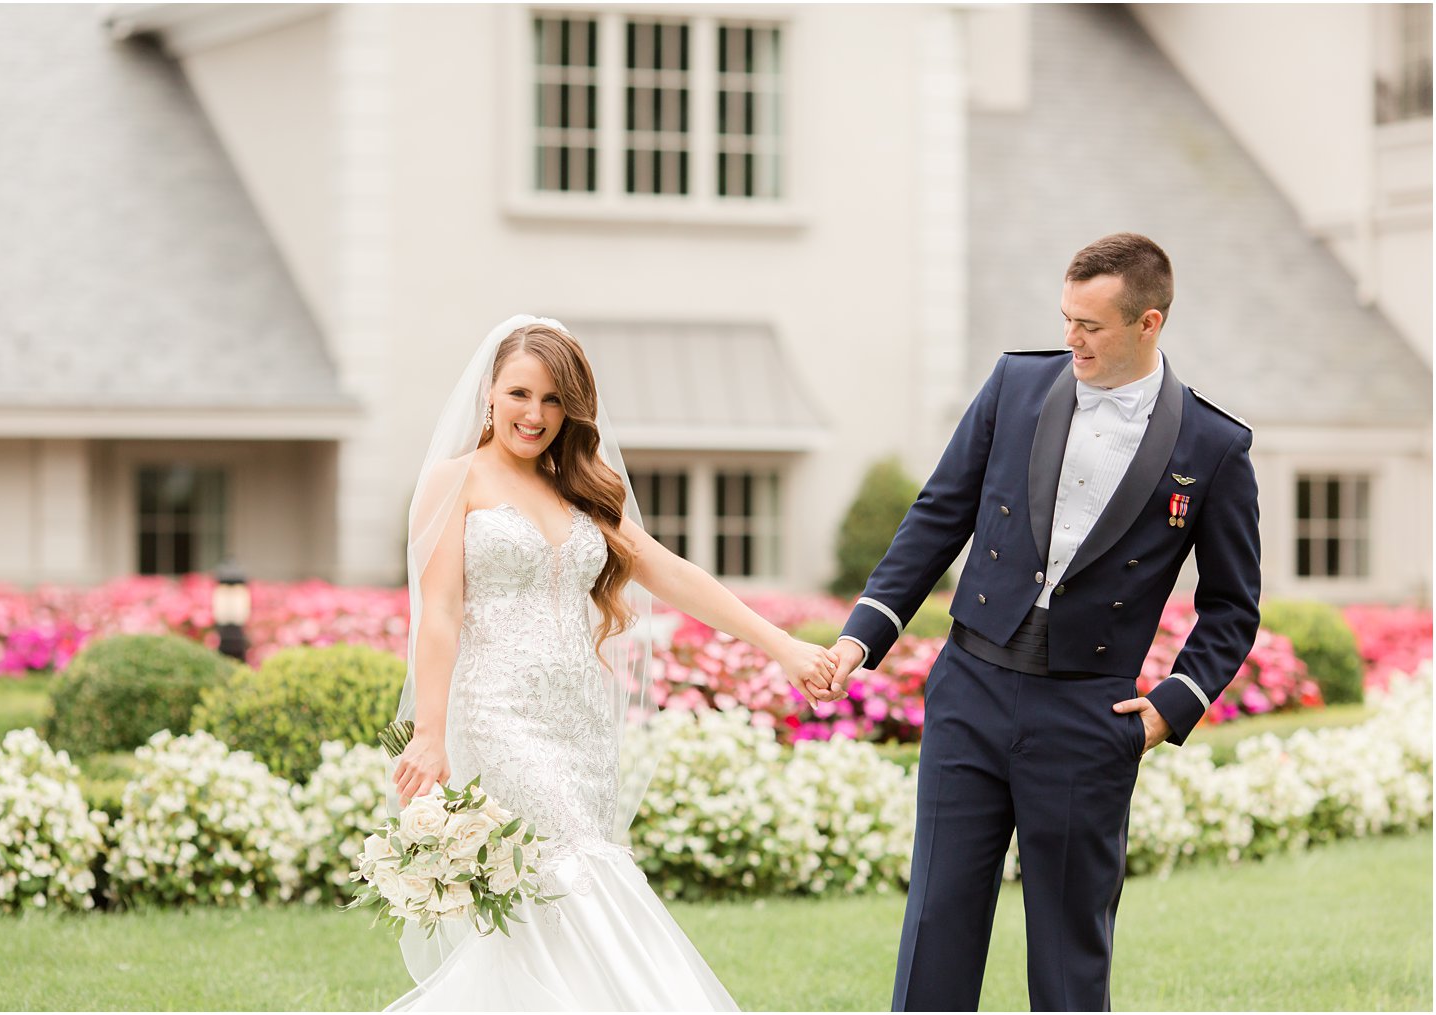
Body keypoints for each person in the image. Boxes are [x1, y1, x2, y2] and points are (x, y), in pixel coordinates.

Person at [824, 234, 1261, 1011]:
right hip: (970, 686)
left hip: (1088, 711)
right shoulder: (1015, 385)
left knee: (1068, 951)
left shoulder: (1214, 446)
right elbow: (938, 515)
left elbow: (1233, 603)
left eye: (1091, 325)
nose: (1072, 338)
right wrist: (865, 632)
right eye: (1065, 317)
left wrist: (1173, 704)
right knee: (936, 921)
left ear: (1148, 322)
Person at [384, 315, 838, 1011]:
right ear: (489, 392)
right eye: (520, 394)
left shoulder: (581, 488)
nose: (535, 414)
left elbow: (669, 572)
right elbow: (439, 612)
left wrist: (781, 645)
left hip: (581, 720)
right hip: (497, 710)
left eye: (554, 400)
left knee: (546, 888)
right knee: (576, 872)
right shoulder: (454, 481)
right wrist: (431, 731)